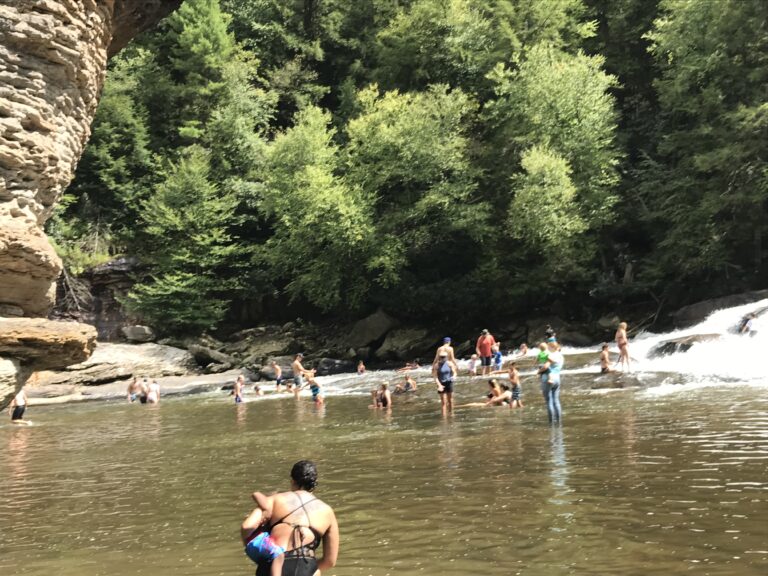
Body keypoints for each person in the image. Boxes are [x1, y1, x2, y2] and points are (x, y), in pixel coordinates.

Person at [241, 460, 339, 576]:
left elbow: (247, 527)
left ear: (292, 480)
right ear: (314, 484)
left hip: (272, 566)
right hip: (304, 566)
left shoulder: (273, 500)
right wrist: (310, 570)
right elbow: (329, 561)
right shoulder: (327, 511)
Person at [539, 341, 564, 423]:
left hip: (548, 379)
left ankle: (551, 423)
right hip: (557, 378)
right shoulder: (561, 356)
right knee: (556, 401)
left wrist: (539, 371)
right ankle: (559, 422)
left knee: (549, 401)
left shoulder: (551, 355)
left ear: (552, 347)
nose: (548, 349)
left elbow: (546, 366)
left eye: (549, 347)